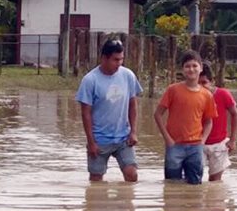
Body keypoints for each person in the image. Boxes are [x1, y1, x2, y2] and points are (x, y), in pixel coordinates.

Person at [76, 38, 143, 182]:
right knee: (96, 179)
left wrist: (133, 132)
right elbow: (85, 113)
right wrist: (91, 142)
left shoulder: (128, 76)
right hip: (99, 139)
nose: (119, 64)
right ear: (104, 58)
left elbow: (133, 104)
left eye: (121, 59)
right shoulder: (90, 80)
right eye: (115, 60)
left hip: (123, 137)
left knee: (132, 174)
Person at [153, 50, 217, 185]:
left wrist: (202, 141)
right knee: (172, 184)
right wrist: (167, 139)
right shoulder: (173, 90)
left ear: (200, 68)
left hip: (196, 147)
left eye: (194, 66)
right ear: (182, 70)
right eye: (187, 66)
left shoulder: (207, 95)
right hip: (174, 145)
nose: (191, 69)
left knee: (195, 184)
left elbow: (209, 122)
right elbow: (158, 115)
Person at [198, 61, 237, 181]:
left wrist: (232, 140)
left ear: (212, 81)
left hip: (219, 143)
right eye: (198, 83)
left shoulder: (223, 94)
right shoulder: (193, 96)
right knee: (194, 178)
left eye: (204, 82)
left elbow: (235, 114)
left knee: (215, 181)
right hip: (198, 142)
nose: (201, 86)